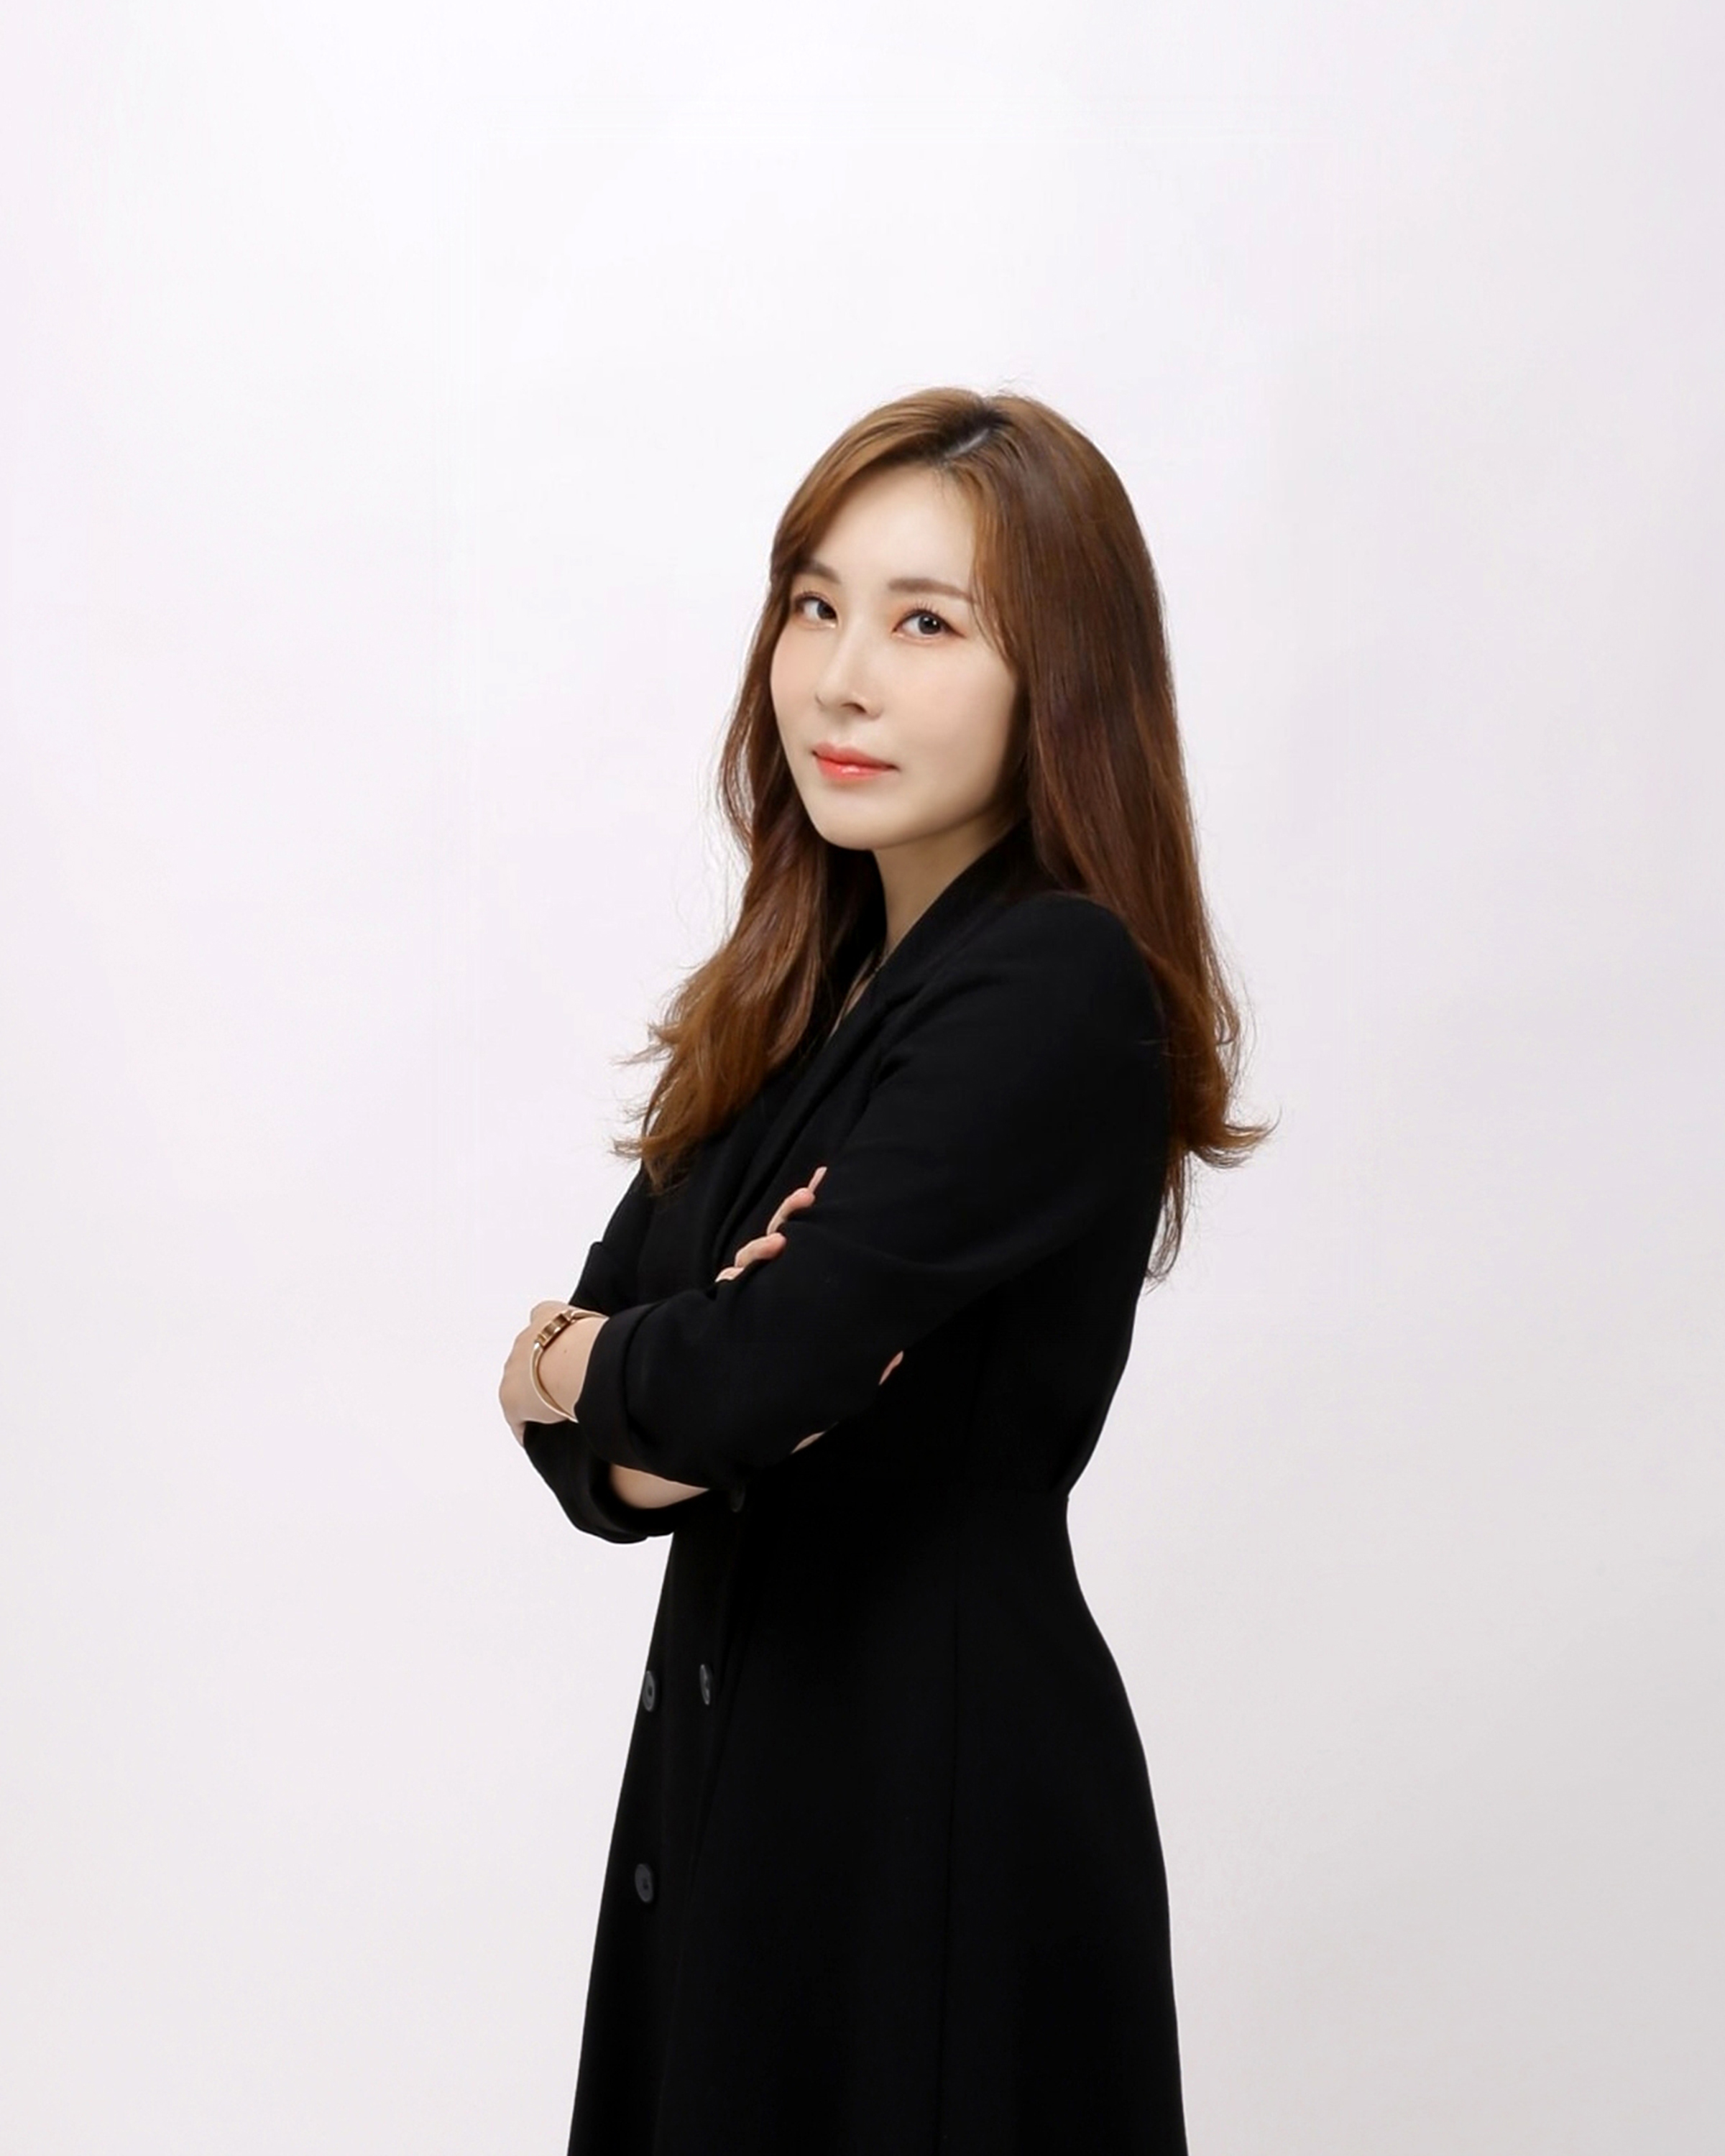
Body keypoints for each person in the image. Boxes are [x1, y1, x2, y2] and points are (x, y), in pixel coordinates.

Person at [497, 386, 1268, 2154]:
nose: (841, 679)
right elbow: (636, 1442)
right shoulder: (799, 986)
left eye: (928, 624)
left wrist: (603, 1362)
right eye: (816, 605)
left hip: (931, 1818)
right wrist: (643, 1377)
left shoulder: (1051, 982)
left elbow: (736, 1378)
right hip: (731, 1801)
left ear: (1058, 677)